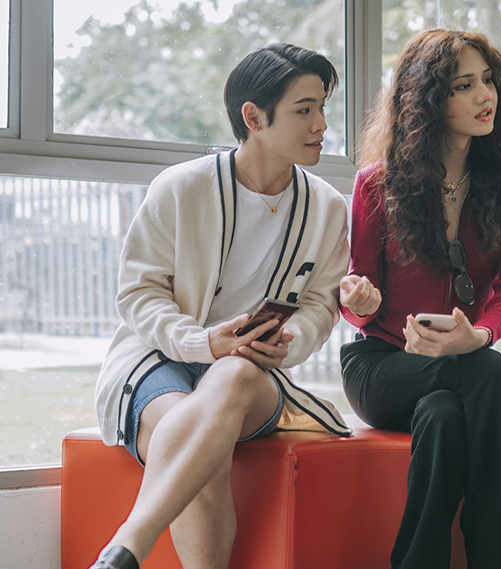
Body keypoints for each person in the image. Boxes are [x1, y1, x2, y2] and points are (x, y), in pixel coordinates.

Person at [90, 43, 355, 569]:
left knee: (230, 377)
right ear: (253, 117)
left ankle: (128, 544)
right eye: (305, 110)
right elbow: (138, 294)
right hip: (159, 361)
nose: (322, 124)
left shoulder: (326, 207)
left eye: (323, 106)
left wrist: (289, 341)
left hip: (250, 374)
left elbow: (322, 307)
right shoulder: (181, 188)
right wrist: (201, 342)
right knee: (198, 447)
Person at [337, 29, 501, 569]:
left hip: (458, 365)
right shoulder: (375, 185)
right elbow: (355, 292)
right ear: (429, 100)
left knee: (443, 414)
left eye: (488, 81)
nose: (485, 96)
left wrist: (476, 336)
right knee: (491, 374)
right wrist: (360, 302)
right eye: (463, 85)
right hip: (382, 367)